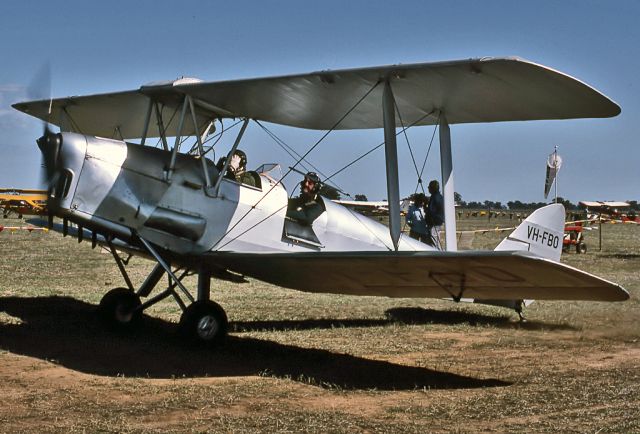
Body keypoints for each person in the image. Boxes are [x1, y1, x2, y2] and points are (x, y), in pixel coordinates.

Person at [425, 180, 444, 249]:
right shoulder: (440, 197)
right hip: (438, 222)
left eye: (429, 187)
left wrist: (425, 207)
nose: (428, 189)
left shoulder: (434, 197)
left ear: (432, 188)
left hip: (433, 223)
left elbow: (431, 211)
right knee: (436, 241)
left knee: (433, 242)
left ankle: (437, 256)